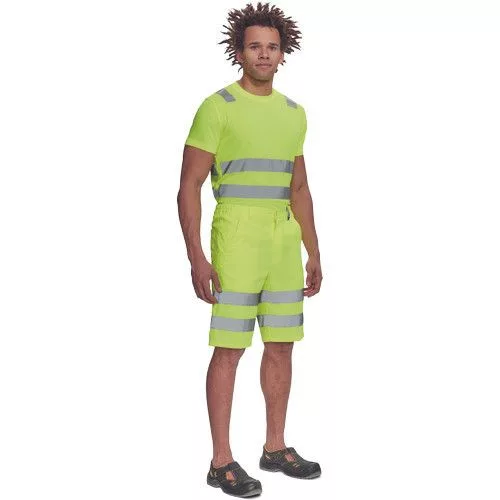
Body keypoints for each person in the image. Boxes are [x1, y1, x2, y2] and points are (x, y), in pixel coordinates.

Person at [177, 2, 323, 497]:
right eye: (255, 46)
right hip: (236, 236)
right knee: (230, 347)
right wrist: (196, 256)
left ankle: (275, 448)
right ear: (239, 52)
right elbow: (189, 185)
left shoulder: (294, 113)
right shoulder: (217, 107)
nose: (264, 54)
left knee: (281, 343)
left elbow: (299, 187)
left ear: (283, 54)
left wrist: (313, 251)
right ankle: (221, 461)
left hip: (283, 239)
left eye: (272, 47)